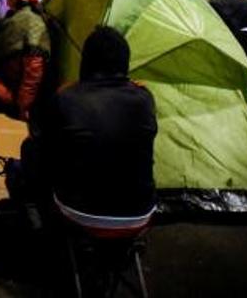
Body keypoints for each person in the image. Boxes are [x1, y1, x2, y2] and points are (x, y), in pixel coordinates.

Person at [18, 27, 157, 231]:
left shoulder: (67, 97)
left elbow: (38, 134)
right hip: (140, 213)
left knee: (30, 147)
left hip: (79, 212)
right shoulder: (145, 98)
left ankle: (35, 212)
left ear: (86, 62)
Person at [0, 0, 50, 121]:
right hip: (9, 74)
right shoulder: (16, 16)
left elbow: (34, 71)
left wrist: (23, 107)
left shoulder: (32, 23)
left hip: (17, 88)